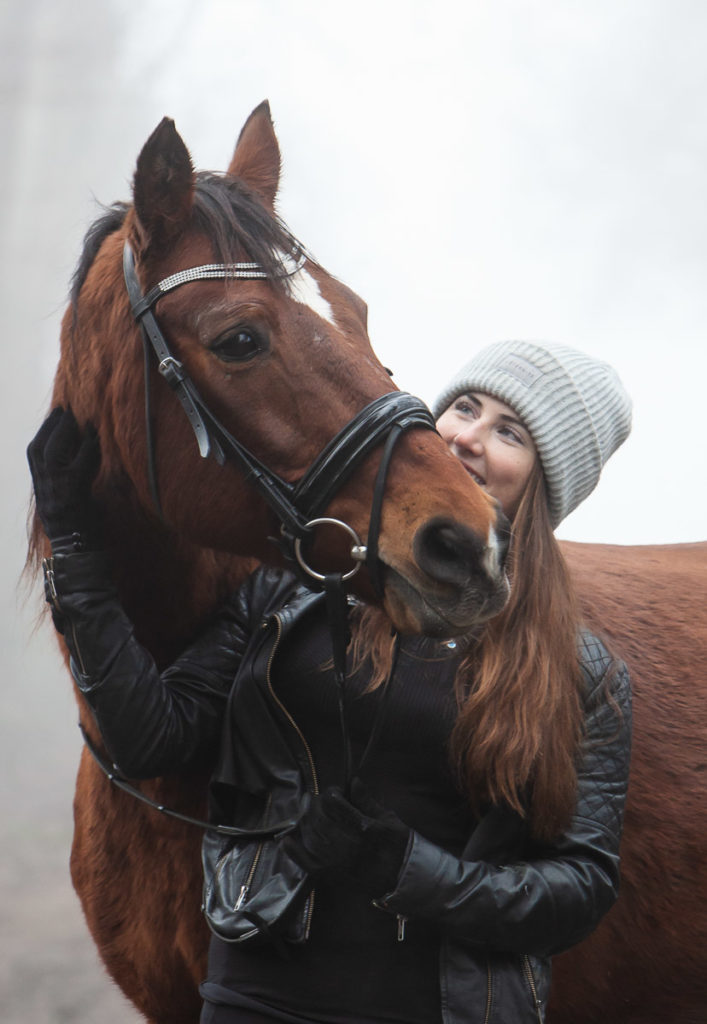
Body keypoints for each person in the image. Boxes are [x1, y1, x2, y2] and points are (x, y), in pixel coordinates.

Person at [28, 340, 632, 1024]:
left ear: (547, 480)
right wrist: (73, 543)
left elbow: (578, 890)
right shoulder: (298, 592)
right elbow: (148, 740)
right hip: (257, 1000)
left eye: (509, 432)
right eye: (464, 407)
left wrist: (404, 869)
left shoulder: (582, 674)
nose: (465, 437)